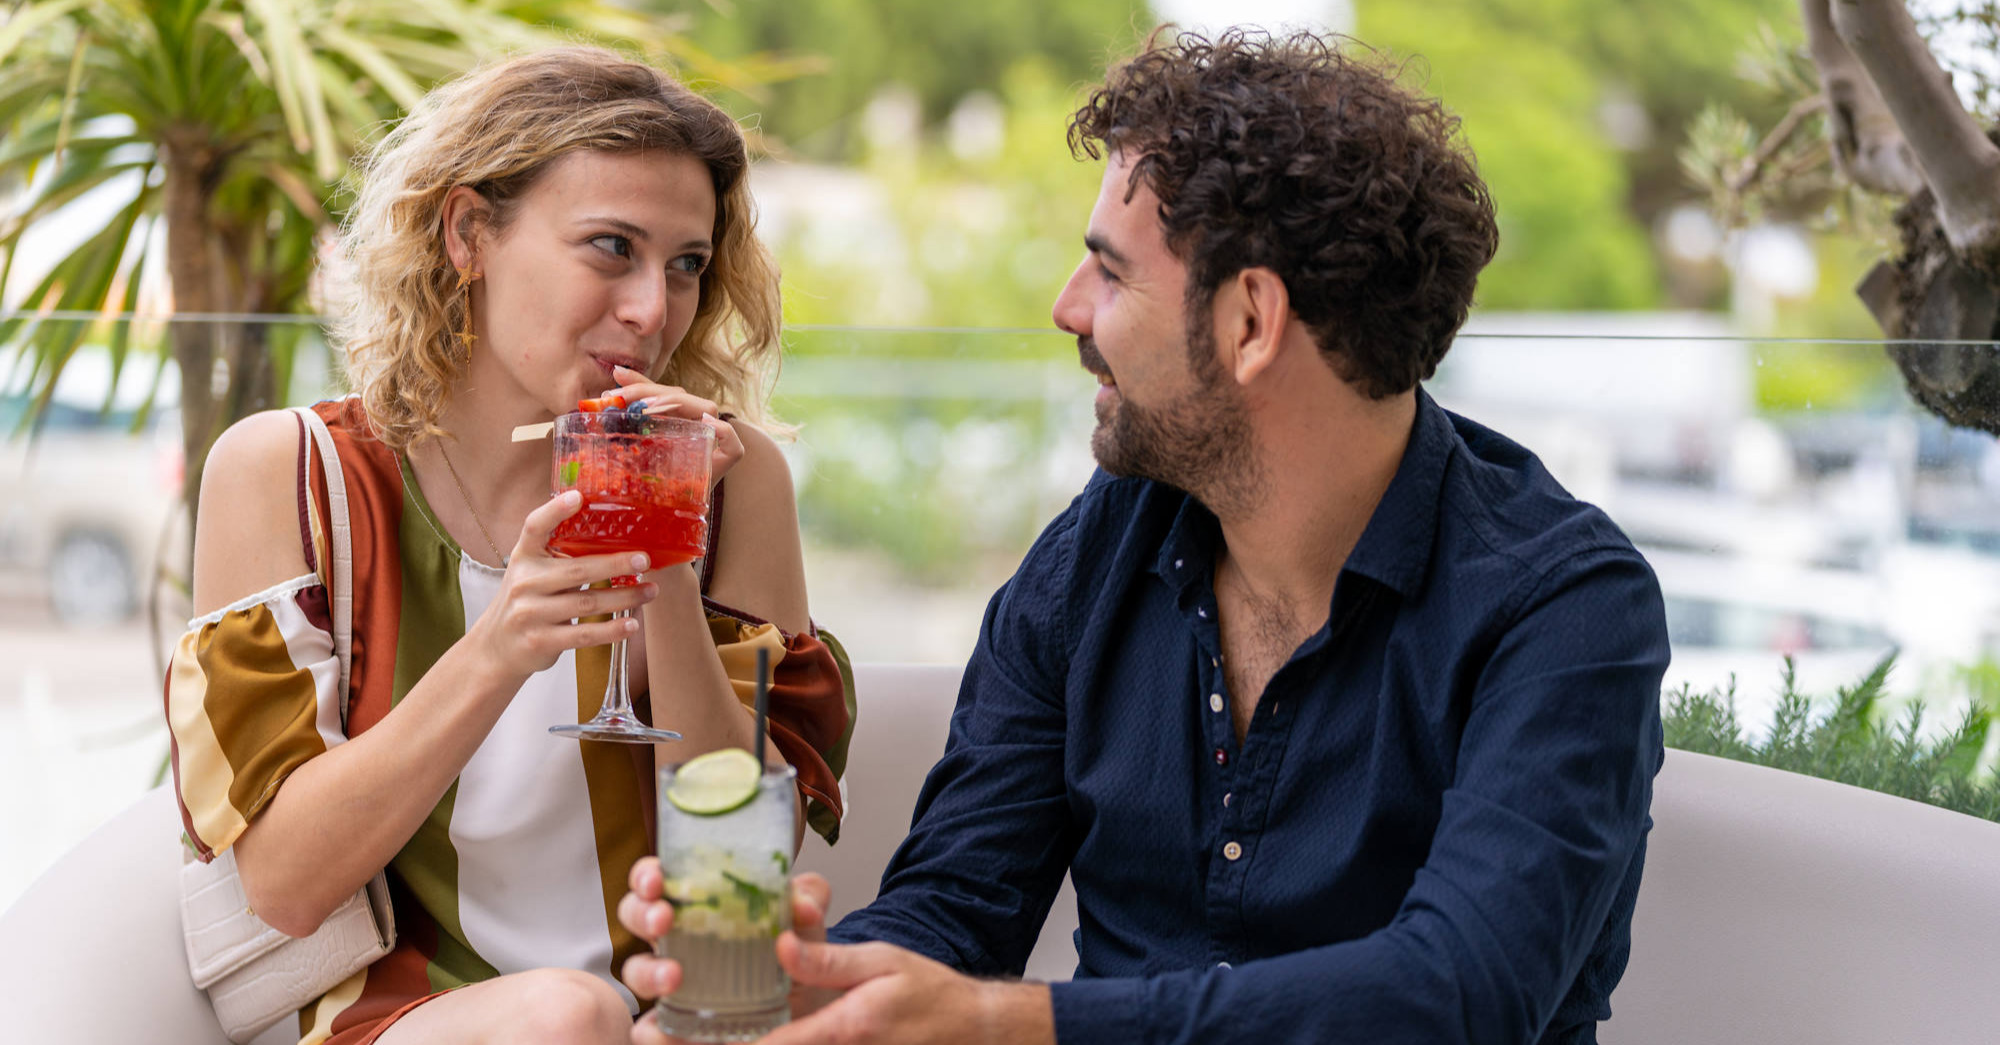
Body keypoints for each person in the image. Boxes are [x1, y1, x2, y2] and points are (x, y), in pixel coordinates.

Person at [619, 28, 1670, 1045]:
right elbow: (952, 911)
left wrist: (1003, 1024)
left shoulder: (1562, 604)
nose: (1065, 309)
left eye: (1110, 274)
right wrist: (816, 987)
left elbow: (1455, 997)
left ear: (1249, 323)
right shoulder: (1091, 558)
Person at [165, 47, 855, 1045]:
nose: (651, 309)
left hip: (659, 1017)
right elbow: (281, 882)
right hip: (393, 1016)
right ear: (468, 233)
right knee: (564, 1015)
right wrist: (498, 646)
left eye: (686, 264)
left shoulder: (733, 482)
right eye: (610, 246)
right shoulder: (291, 472)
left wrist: (664, 564)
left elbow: (744, 876)